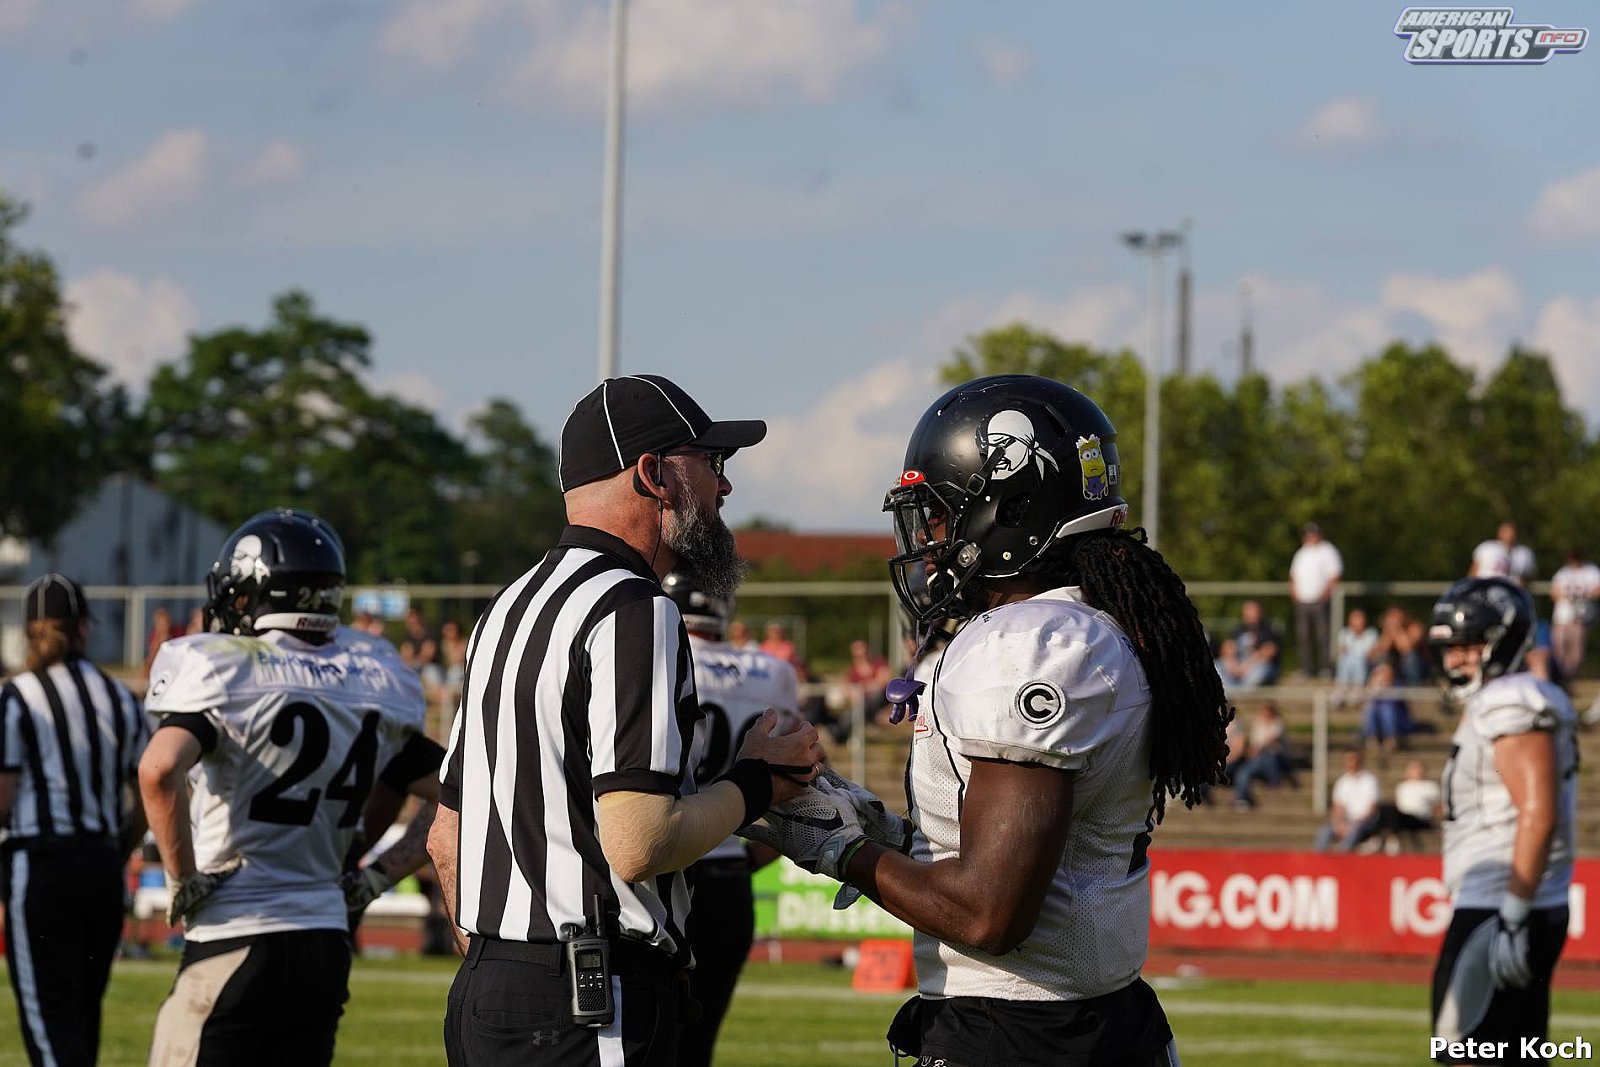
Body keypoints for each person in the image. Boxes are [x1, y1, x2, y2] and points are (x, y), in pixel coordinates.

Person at [745, 375, 1231, 1065]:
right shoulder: (1096, 625)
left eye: (939, 515)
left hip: (1023, 1030)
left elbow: (988, 912)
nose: (926, 539)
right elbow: (1031, 849)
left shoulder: (1027, 642)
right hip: (1096, 1019)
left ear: (1011, 507)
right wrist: (886, 832)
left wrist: (837, 850)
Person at [428, 373, 824, 1066]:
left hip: (488, 989)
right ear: (653, 474)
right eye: (711, 461)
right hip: (592, 997)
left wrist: (511, 965)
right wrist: (760, 781)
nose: (725, 486)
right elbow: (639, 841)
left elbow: (445, 836)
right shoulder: (634, 608)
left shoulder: (506, 607)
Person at [138, 508, 446, 1066]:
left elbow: (158, 770)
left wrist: (182, 879)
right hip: (323, 944)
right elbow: (459, 791)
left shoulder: (225, 667)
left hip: (235, 932)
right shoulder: (369, 675)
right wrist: (378, 875)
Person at [1425, 578, 1578, 1062]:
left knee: (1463, 1054)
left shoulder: (1509, 699)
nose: (1455, 660)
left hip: (1500, 906)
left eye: (1468, 646)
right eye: (1451, 648)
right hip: (1519, 904)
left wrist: (1512, 915)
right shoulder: (1511, 698)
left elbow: (1539, 812)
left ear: (1502, 641)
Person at [1, 574, 149, 1067]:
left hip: (41, 868)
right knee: (83, 1024)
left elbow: (2, 797)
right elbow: (148, 793)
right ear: (84, 627)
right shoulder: (120, 697)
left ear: (30, 631)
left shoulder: (18, 696)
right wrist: (120, 848)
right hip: (102, 868)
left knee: (51, 1032)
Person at [662, 567, 799, 1067]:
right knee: (697, 1049)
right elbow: (803, 772)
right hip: (728, 878)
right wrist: (747, 856)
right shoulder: (772, 673)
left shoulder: (661, 657)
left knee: (645, 1044)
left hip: (663, 872)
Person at [1288, 521, 1342, 678]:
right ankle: (1306, 668)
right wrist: (1294, 593)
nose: (1311, 537)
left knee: (1323, 635)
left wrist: (1325, 594)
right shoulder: (1301, 553)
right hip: (1302, 601)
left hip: (1320, 600)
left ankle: (1326, 667)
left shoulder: (1328, 551)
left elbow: (1335, 575)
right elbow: (1293, 576)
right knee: (1303, 635)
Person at [1230, 701, 1296, 810]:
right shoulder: (1258, 723)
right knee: (1243, 772)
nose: (1264, 714)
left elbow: (1272, 739)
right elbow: (1254, 743)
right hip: (1259, 758)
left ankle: (1273, 780)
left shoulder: (1278, 724)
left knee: (1267, 756)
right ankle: (1241, 798)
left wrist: (1257, 749)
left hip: (1276, 758)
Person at [1312, 749, 1381, 852]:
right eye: (1348, 759)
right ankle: (1318, 859)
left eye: (1352, 759)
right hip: (1346, 821)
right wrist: (1338, 823)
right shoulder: (1342, 782)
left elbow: (1371, 809)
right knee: (1324, 831)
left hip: (1365, 822)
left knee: (1355, 830)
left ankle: (1342, 856)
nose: (1350, 762)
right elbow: (1338, 807)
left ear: (1359, 761)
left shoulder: (1370, 780)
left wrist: (1353, 824)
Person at [1549, 548, 1599, 679]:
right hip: (1562, 616)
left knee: (1576, 650)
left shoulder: (1591, 571)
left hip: (1580, 617)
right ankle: (1560, 675)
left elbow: (1597, 589)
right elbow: (1554, 593)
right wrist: (1567, 597)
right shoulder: (1563, 573)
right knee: (1559, 647)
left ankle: (1570, 676)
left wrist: (1584, 596)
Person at [1375, 758, 1442, 855]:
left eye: (1417, 768)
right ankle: (1385, 838)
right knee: (1386, 808)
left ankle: (1388, 839)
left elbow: (1438, 806)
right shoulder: (1402, 786)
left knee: (1396, 814)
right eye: (1412, 768)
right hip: (1402, 818)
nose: (1415, 771)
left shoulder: (1430, 786)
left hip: (1420, 819)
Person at [1215, 599, 1282, 690]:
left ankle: (1241, 691)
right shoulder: (1238, 629)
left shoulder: (1268, 630)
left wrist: (1246, 666)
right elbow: (1227, 647)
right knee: (1217, 665)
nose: (1250, 616)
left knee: (1262, 670)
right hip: (1238, 665)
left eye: (1253, 612)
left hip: (1255, 666)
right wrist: (1232, 662)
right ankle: (1232, 690)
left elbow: (1268, 651)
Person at [1359, 661, 1414, 754]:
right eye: (1381, 673)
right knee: (1371, 710)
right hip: (1378, 721)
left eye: (1386, 673)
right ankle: (1372, 739)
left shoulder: (1398, 684)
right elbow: (1365, 703)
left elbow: (1398, 703)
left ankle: (1391, 739)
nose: (1384, 676)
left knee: (1388, 710)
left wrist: (1387, 688)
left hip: (1398, 720)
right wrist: (1375, 689)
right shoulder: (1373, 686)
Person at [1373, 604, 1429, 685]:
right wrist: (1388, 633)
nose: (1393, 619)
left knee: (1409, 657)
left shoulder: (1415, 627)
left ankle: (1414, 685)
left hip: (1419, 668)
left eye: (1395, 616)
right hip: (1396, 669)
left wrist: (1397, 630)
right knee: (1382, 656)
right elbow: (1382, 649)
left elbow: (1406, 648)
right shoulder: (1386, 632)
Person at [1468, 521, 1536, 586]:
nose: (1510, 534)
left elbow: (1529, 577)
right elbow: (1474, 571)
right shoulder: (1487, 548)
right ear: (1499, 533)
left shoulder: (1525, 553)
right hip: (1485, 585)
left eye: (1512, 531)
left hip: (1511, 589)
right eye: (1506, 531)